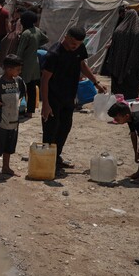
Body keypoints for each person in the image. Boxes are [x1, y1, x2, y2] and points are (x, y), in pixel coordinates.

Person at [41, 26, 107, 172]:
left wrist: (96, 83)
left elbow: (82, 65)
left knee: (65, 127)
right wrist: (45, 104)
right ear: (66, 37)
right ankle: (46, 161)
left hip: (69, 95)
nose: (75, 47)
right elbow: (45, 80)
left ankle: (56, 158)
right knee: (51, 129)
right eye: (73, 43)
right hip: (53, 97)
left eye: (78, 44)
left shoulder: (79, 48)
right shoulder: (54, 53)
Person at [102, 9, 139, 100]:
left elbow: (112, 50)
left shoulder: (118, 30)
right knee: (131, 94)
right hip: (133, 69)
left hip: (117, 67)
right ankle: (128, 111)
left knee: (117, 94)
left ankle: (117, 111)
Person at [15, 11, 48, 118]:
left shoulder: (26, 34)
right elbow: (46, 39)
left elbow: (20, 51)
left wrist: (16, 64)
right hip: (35, 62)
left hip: (25, 63)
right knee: (32, 87)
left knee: (21, 86)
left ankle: (18, 108)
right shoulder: (37, 31)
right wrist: (35, 45)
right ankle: (30, 111)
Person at [107, 101, 139, 183]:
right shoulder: (130, 119)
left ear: (126, 116)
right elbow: (133, 135)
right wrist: (136, 153)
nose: (115, 121)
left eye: (117, 119)